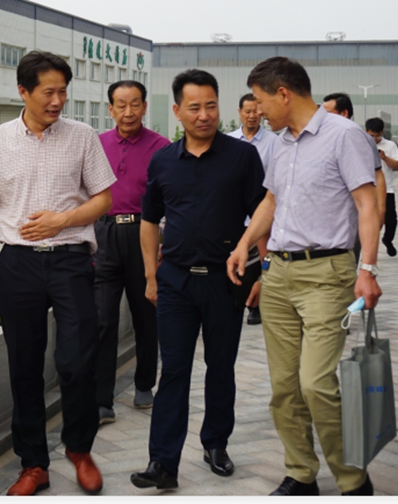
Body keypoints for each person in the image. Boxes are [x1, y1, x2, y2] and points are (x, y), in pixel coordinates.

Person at [0, 51, 116, 496]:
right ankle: (33, 464)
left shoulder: (82, 137)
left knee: (77, 360)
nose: (57, 101)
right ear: (23, 92)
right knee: (24, 367)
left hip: (71, 260)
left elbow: (103, 199)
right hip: (19, 263)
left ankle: (80, 449)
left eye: (63, 92)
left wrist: (62, 221)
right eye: (48, 92)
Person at [227, 57, 382, 496]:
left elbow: (367, 205)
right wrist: (243, 245)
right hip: (278, 274)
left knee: (316, 384)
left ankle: (353, 479)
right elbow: (271, 202)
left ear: (283, 94)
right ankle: (300, 474)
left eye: (260, 101)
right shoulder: (282, 143)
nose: (256, 111)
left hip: (326, 274)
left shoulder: (344, 135)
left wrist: (367, 270)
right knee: (284, 387)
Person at [130, 69, 265, 489]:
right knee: (173, 370)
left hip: (227, 280)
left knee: (220, 367)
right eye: (194, 108)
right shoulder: (163, 160)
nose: (204, 115)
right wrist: (150, 275)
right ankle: (163, 462)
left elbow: (263, 213)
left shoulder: (242, 157)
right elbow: (149, 221)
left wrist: (260, 270)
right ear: (177, 111)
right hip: (176, 281)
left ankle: (215, 443)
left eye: (211, 106)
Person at [95, 80, 170, 424]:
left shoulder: (161, 147)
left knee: (146, 316)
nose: (129, 112)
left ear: (144, 107)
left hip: (145, 234)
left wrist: (164, 244)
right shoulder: (97, 145)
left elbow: (172, 200)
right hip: (105, 234)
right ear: (110, 109)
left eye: (135, 104)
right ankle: (102, 398)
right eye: (121, 105)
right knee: (103, 319)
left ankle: (144, 385)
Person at [228, 93, 277, 325]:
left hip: (262, 210)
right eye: (247, 111)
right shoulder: (228, 141)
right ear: (239, 112)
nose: (252, 116)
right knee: (240, 260)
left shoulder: (274, 142)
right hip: (235, 212)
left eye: (256, 111)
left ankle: (257, 304)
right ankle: (244, 300)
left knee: (262, 260)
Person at [323, 93, 387, 230]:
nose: (323, 117)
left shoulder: (363, 139)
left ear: (344, 113)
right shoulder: (321, 140)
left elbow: (378, 175)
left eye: (327, 113)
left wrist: (381, 209)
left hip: (354, 212)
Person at [366, 117, 398, 257]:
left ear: (382, 132)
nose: (374, 139)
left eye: (377, 136)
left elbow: (397, 165)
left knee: (391, 220)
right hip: (367, 189)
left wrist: (385, 158)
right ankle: (368, 247)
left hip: (387, 189)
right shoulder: (361, 144)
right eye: (371, 135)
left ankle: (387, 240)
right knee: (368, 219)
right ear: (366, 132)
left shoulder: (390, 145)